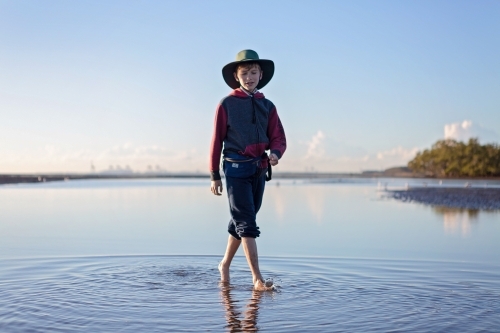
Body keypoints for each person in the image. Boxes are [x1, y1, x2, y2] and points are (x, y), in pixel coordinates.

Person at [209, 49, 286, 291]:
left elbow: (278, 137)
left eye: (254, 72)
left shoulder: (268, 105)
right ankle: (257, 279)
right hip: (234, 170)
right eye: (244, 73)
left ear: (261, 74)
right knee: (247, 224)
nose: (249, 77)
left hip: (259, 170)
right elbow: (216, 141)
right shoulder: (227, 104)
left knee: (242, 221)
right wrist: (214, 175)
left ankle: (224, 265)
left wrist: (275, 153)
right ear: (236, 76)